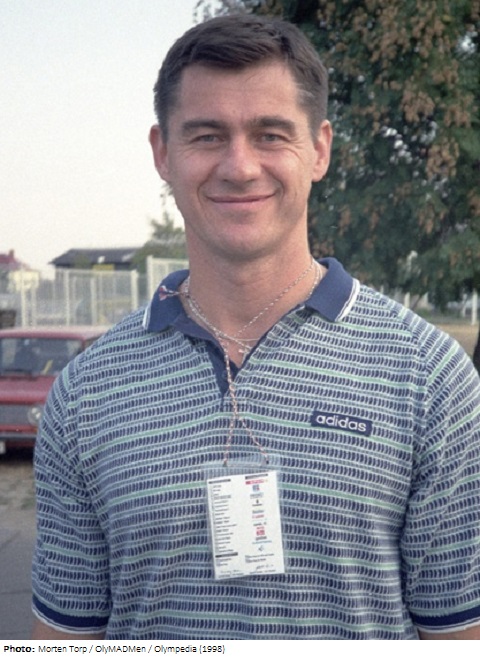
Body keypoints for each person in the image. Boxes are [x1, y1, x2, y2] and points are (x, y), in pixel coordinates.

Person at [32, 14, 480, 640]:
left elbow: (459, 637)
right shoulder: (85, 393)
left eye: (271, 134)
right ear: (163, 153)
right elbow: (63, 641)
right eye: (207, 136)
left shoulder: (430, 377)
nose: (240, 166)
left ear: (319, 149)